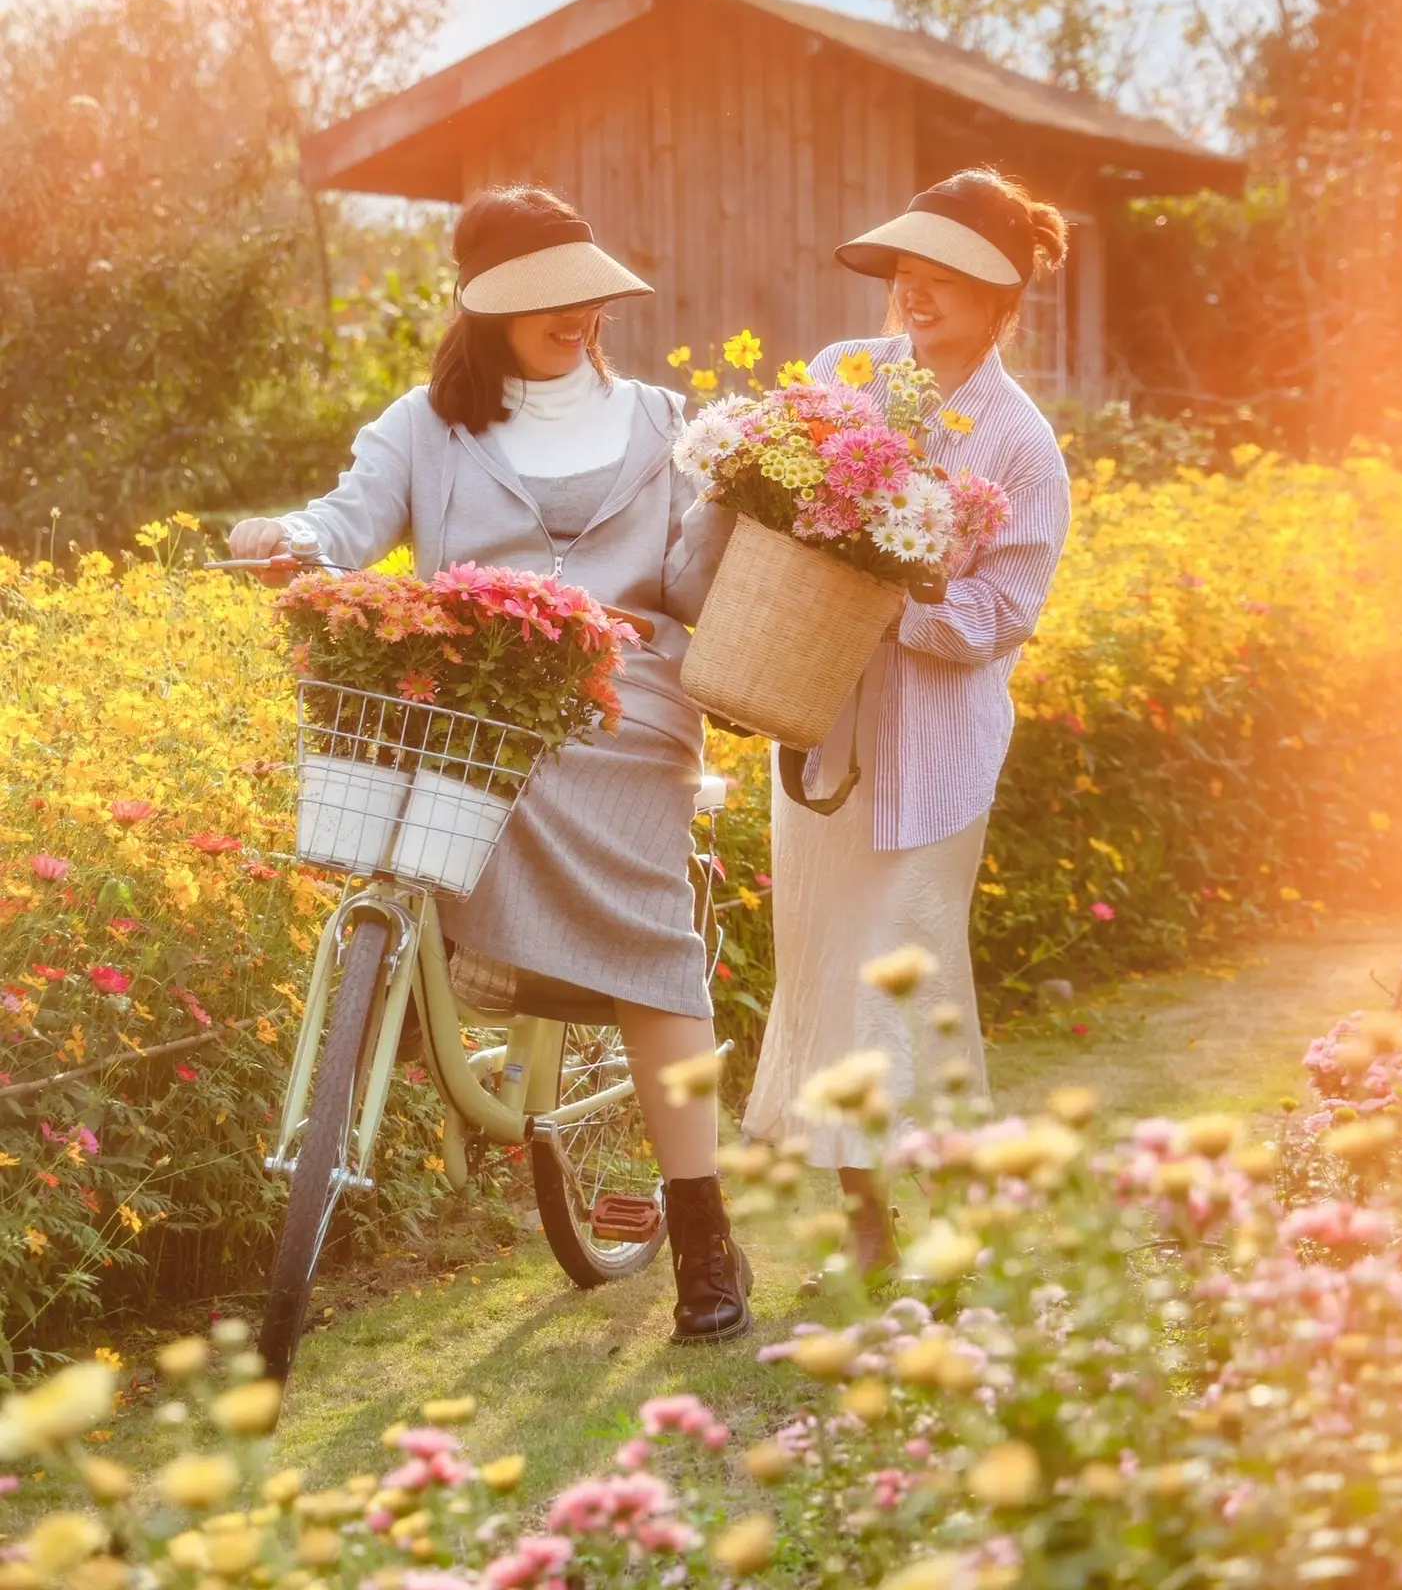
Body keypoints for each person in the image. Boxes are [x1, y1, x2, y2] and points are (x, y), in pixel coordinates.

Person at [230, 184, 751, 1343]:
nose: (578, 316)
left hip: (627, 713)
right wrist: (295, 541)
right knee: (418, 785)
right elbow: (346, 522)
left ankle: (704, 1233)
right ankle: (425, 978)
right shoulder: (423, 425)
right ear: (486, 310)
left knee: (656, 956)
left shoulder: (672, 425)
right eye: (545, 301)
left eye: (587, 295)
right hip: (474, 708)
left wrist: (759, 497)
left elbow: (700, 589)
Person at [743, 167, 1072, 1275]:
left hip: (932, 755)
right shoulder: (846, 376)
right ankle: (869, 1199)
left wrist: (902, 594)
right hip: (823, 726)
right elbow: (784, 504)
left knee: (901, 969)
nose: (916, 294)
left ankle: (900, 1201)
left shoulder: (1021, 445)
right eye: (908, 274)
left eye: (948, 279)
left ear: (1001, 301)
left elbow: (1004, 612)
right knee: (829, 966)